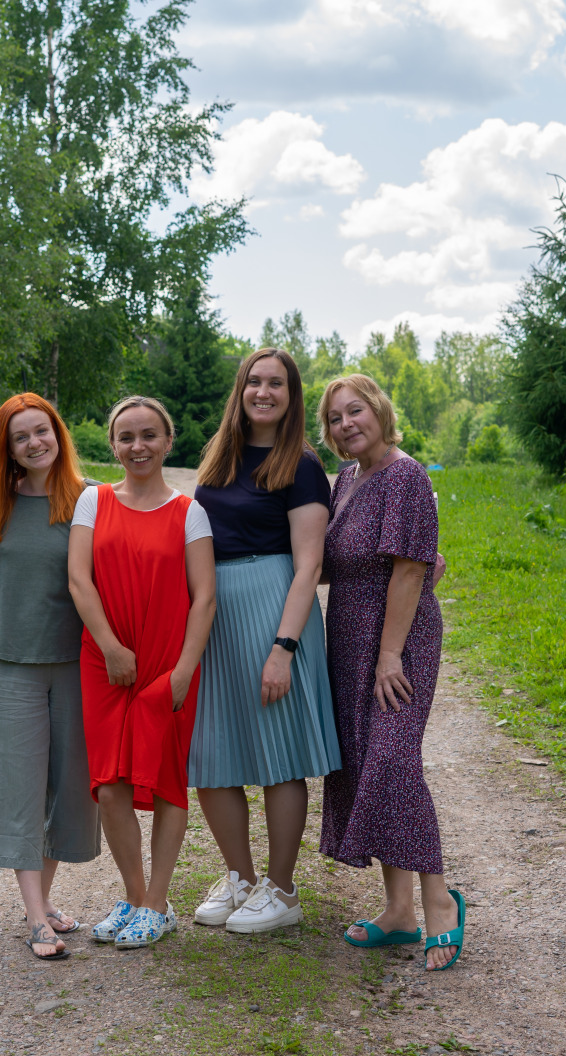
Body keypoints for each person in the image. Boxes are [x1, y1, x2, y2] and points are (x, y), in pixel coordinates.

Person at [317, 373, 465, 972]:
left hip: (393, 645)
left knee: (393, 761)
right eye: (334, 418)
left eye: (355, 411)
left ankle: (439, 905)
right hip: (348, 639)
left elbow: (411, 570)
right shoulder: (348, 479)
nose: (346, 424)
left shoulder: (405, 474)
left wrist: (390, 651)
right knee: (364, 763)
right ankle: (398, 910)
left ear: (379, 410)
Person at [188, 347, 339, 933]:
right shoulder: (218, 457)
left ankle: (282, 888)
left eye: (277, 383)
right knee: (213, 753)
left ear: (292, 395)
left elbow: (308, 565)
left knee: (278, 754)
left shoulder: (299, 464)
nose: (264, 392)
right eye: (255, 381)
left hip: (272, 603)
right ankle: (241, 878)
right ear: (241, 390)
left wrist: (284, 647)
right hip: (215, 613)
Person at [67, 396, 217, 950]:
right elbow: (80, 582)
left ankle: (158, 899)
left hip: (167, 663)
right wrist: (109, 646)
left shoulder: (189, 511)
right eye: (126, 437)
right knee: (109, 783)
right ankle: (136, 896)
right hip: (105, 659)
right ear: (112, 445)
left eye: (148, 435)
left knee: (167, 777)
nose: (137, 446)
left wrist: (183, 671)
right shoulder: (93, 501)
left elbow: (204, 600)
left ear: (167, 441)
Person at [0, 393, 102, 960]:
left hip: (78, 663)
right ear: (8, 448)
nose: (34, 443)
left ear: (58, 433)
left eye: (41, 431)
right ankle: (34, 917)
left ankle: (44, 900)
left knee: (69, 786)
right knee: (19, 786)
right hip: (13, 664)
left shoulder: (90, 498)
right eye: (20, 437)